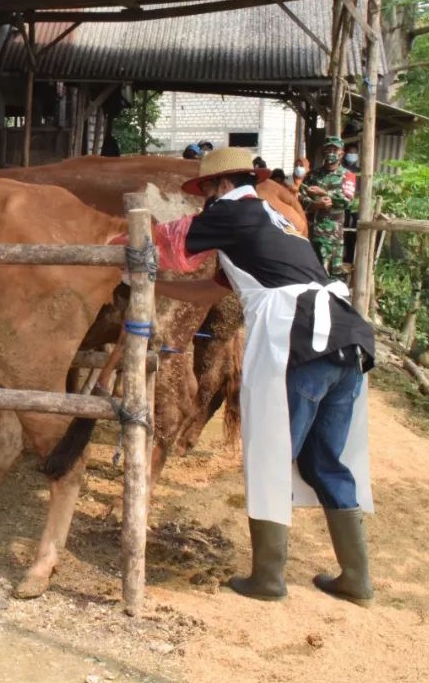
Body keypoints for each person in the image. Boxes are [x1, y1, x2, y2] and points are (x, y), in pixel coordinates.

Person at [145, 147, 375, 607]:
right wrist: (150, 285)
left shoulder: (231, 212)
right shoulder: (273, 221)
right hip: (346, 340)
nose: (203, 203)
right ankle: (357, 581)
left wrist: (114, 249)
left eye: (206, 192)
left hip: (302, 338)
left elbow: (166, 243)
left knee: (271, 453)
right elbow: (215, 289)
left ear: (221, 186)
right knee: (324, 461)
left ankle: (268, 578)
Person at [298, 136, 356, 279]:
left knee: (334, 275)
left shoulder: (348, 175)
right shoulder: (313, 175)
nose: (331, 153)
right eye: (328, 150)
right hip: (311, 231)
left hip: (333, 235)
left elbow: (347, 201)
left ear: (341, 153)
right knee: (312, 272)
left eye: (334, 150)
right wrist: (318, 205)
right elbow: (302, 199)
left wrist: (324, 193)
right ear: (323, 152)